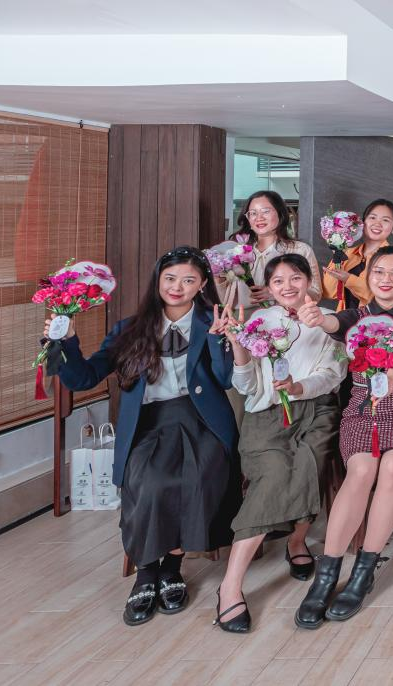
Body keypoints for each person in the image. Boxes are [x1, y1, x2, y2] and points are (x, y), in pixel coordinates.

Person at [54, 247, 240, 626]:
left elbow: (224, 380)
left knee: (197, 476)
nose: (177, 287)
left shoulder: (213, 321)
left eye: (188, 280)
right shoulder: (130, 328)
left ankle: (172, 568)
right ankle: (147, 572)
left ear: (202, 284)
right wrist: (65, 341)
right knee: (151, 482)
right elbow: (84, 378)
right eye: (170, 278)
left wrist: (222, 339)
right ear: (158, 280)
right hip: (149, 423)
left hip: (202, 421)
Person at [293, 246, 393, 628]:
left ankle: (364, 570)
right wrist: (319, 319)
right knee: (360, 472)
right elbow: (335, 323)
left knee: (392, 468)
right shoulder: (357, 314)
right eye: (379, 272)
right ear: (368, 277)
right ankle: (326, 576)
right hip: (364, 409)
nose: (386, 279)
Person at [214, 254, 346, 632]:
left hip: (316, 409)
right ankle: (230, 586)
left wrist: (297, 386)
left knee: (309, 461)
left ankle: (296, 541)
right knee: (273, 472)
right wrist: (238, 344)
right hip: (267, 413)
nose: (288, 286)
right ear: (268, 288)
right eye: (278, 281)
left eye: (295, 278)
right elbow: (245, 384)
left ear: (309, 281)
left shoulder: (328, 320)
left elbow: (333, 374)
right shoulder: (257, 322)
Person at [225, 190, 321, 311]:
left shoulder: (300, 250)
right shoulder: (237, 252)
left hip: (285, 319)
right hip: (243, 319)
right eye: (253, 213)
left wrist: (275, 293)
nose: (259, 218)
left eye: (265, 211)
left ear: (280, 214)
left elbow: (316, 294)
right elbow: (225, 296)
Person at [322, 198, 393, 312]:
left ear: (392, 228)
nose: (377, 224)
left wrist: (348, 279)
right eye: (372, 218)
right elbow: (329, 292)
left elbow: (379, 295)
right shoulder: (348, 253)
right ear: (363, 223)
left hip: (376, 320)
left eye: (385, 220)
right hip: (345, 318)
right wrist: (337, 252)